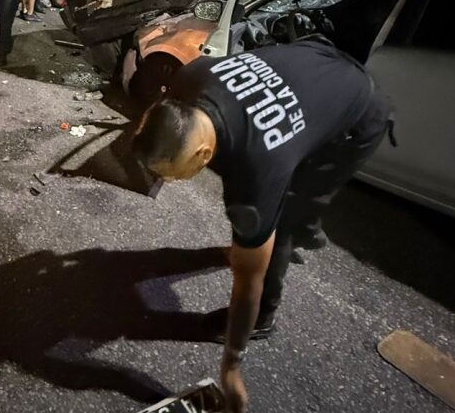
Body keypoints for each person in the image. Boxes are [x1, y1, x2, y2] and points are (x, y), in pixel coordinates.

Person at [131, 39, 393, 413]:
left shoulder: (256, 171)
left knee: (278, 224)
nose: (170, 183)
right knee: (267, 206)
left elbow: (247, 280)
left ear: (204, 154)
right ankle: (298, 224)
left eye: (173, 176)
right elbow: (154, 120)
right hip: (316, 63)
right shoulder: (190, 76)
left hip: (355, 117)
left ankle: (266, 316)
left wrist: (231, 366)